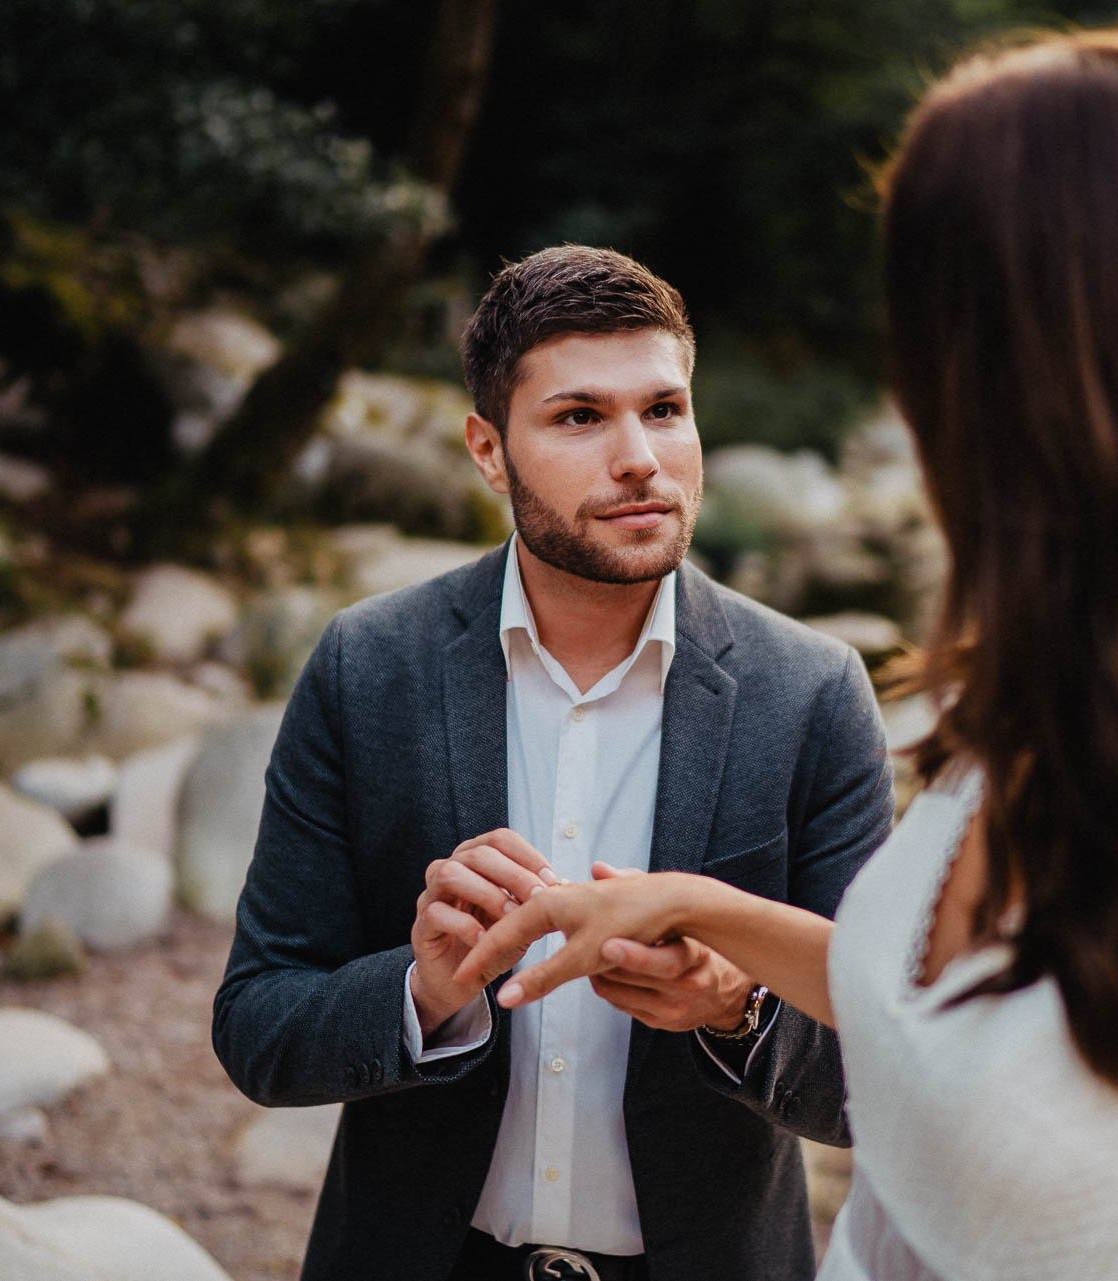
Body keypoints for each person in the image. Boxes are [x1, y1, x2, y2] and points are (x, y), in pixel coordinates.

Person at [457, 31, 1118, 1281]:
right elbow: (967, 1016)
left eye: (939, 334)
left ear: (1066, 382)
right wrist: (694, 909)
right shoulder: (1072, 679)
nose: (915, 391)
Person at [211, 244, 895, 1281]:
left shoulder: (813, 692)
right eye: (581, 417)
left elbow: (887, 1076)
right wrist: (422, 991)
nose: (641, 458)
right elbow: (259, 1023)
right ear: (489, 451)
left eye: (665, 409)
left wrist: (737, 1004)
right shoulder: (368, 668)